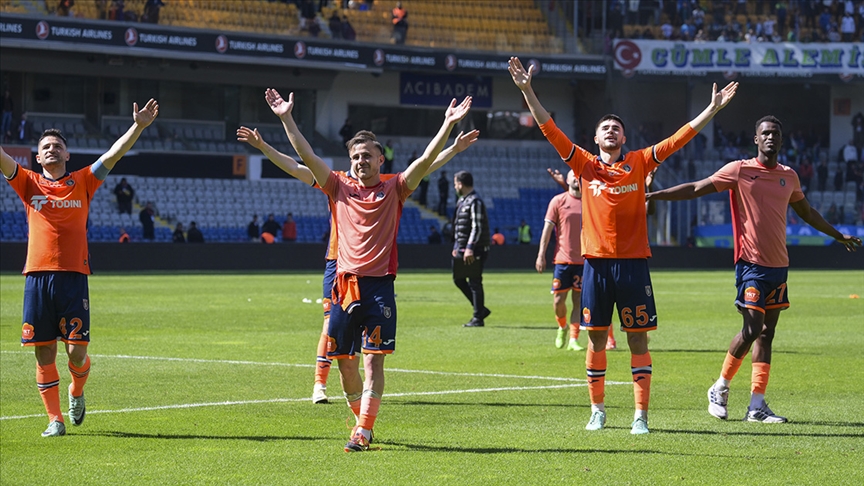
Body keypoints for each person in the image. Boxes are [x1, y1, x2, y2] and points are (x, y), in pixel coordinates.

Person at [509, 56, 738, 435]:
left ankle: (640, 416)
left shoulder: (640, 162)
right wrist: (527, 90)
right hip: (595, 266)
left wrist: (711, 110)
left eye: (617, 127)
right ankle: (597, 411)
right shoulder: (584, 165)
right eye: (605, 128)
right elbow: (549, 128)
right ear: (595, 139)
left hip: (633, 264)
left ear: (624, 137)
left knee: (637, 339)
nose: (611, 131)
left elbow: (680, 138)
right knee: (597, 338)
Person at [265, 86, 472, 451]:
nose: (361, 161)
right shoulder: (337, 185)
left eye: (367, 156)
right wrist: (286, 118)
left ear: (381, 160)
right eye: (356, 156)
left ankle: (362, 429)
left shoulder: (396, 187)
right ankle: (363, 421)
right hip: (345, 287)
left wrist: (446, 127)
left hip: (379, 287)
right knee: (345, 363)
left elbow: (425, 160)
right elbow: (304, 155)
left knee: (374, 362)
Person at [647, 115, 861, 424]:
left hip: (779, 266)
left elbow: (807, 212)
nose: (771, 137)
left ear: (781, 140)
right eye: (765, 133)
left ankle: (756, 406)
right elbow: (697, 187)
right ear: (756, 140)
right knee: (752, 329)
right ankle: (719, 387)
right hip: (750, 265)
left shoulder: (789, 176)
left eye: (775, 133)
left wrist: (837, 235)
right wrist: (655, 195)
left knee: (767, 335)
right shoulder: (739, 170)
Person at [0, 99, 158, 437]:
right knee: (44, 352)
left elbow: (113, 154)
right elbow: (3, 161)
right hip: (37, 277)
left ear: (67, 155)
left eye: (58, 146)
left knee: (76, 351)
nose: (52, 149)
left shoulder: (84, 181)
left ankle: (77, 391)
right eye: (46, 147)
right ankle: (54, 420)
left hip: (74, 276)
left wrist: (139, 126)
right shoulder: (27, 183)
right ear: (37, 157)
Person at [536, 169, 586, 352]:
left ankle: (574, 339)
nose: (576, 178)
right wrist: (541, 254)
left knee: (578, 300)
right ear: (567, 179)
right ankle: (562, 326)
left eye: (579, 176)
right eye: (573, 175)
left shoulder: (590, 202)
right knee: (558, 300)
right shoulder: (558, 201)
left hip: (584, 260)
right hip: (562, 259)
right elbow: (547, 230)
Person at [452, 170, 491, 328]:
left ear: (460, 184)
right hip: (462, 248)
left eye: (455, 183)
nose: (455, 187)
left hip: (475, 249)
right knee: (458, 279)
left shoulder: (475, 202)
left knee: (475, 281)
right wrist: (457, 246)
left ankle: (478, 318)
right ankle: (481, 310)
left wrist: (469, 248)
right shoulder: (463, 201)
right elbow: (458, 227)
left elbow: (477, 227)